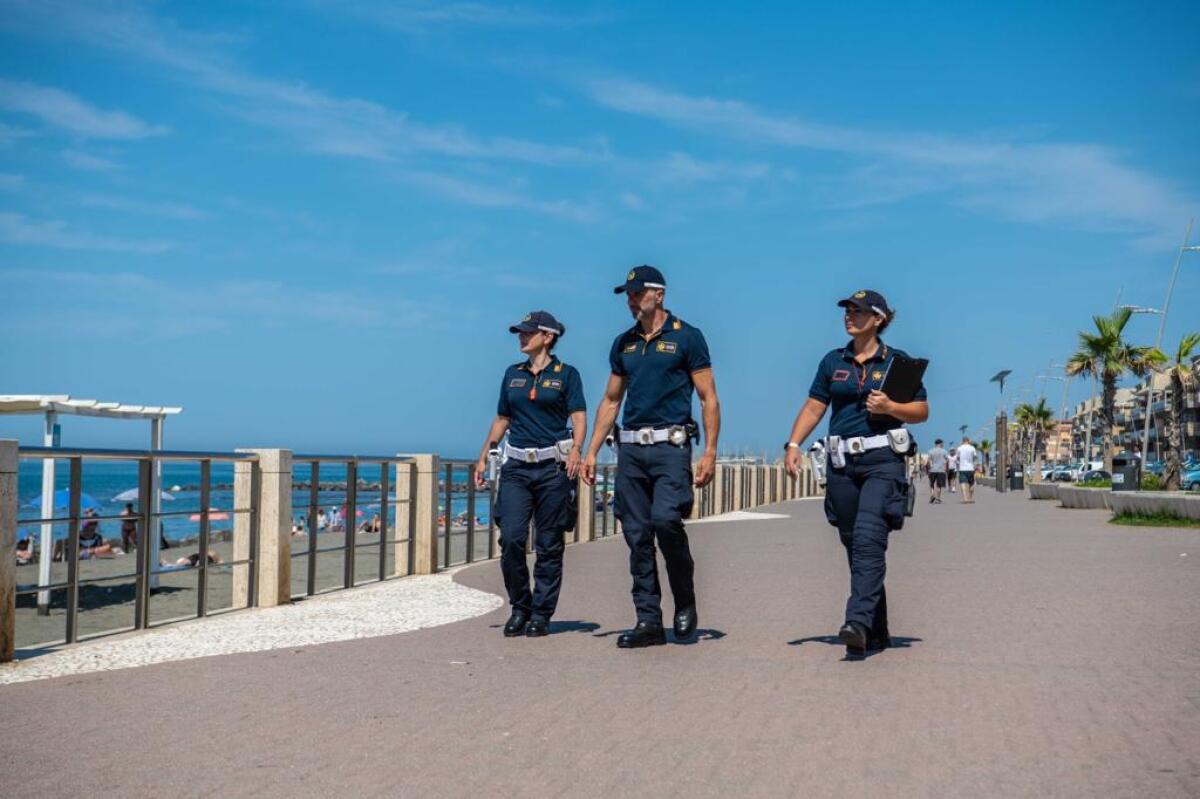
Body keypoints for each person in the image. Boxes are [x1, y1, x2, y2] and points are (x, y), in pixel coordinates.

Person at [783, 289, 928, 657]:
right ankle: (875, 629)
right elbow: (815, 406)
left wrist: (892, 405)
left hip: (882, 462)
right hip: (841, 465)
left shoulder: (897, 363)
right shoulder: (833, 362)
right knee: (853, 543)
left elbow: (921, 411)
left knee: (868, 538)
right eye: (847, 310)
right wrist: (794, 445)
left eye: (858, 312)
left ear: (878, 319)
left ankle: (856, 622)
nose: (850, 316)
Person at [582, 265, 721, 648]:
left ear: (658, 294)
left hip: (670, 448)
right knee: (636, 534)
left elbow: (708, 397)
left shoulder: (687, 338)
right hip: (630, 451)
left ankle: (685, 600)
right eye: (627, 294)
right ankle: (648, 621)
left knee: (665, 522)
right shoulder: (623, 344)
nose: (630, 300)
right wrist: (591, 451)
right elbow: (611, 401)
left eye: (637, 293)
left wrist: (709, 452)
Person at [475, 310, 586, 638]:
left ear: (547, 337)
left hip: (553, 468)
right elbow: (501, 419)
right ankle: (520, 606)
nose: (521, 337)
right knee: (511, 538)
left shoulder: (567, 375)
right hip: (516, 468)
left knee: (550, 544)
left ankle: (541, 613)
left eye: (527, 332)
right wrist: (483, 457)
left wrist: (578, 449)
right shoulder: (512, 374)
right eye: (520, 332)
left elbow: (578, 416)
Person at [955, 436, 979, 503]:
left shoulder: (959, 448)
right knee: (971, 483)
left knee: (963, 483)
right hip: (971, 468)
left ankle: (965, 499)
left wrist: (958, 465)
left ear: (962, 441)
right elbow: (975, 458)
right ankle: (970, 498)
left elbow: (957, 458)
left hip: (962, 469)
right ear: (969, 440)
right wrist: (975, 466)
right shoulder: (972, 448)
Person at [927, 439, 948, 504]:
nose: (943, 445)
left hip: (932, 470)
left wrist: (928, 469)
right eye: (942, 443)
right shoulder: (944, 451)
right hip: (941, 470)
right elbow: (947, 460)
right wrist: (946, 468)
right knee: (939, 485)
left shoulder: (931, 451)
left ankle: (932, 494)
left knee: (931, 483)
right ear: (940, 443)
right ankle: (938, 498)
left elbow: (928, 461)